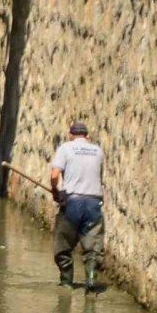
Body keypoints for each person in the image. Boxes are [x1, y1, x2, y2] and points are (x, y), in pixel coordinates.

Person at [49, 121, 105, 292]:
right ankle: (90, 280)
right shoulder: (98, 151)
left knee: (63, 246)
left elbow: (54, 175)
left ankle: (66, 283)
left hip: (72, 203)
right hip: (93, 204)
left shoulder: (65, 148)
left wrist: (55, 191)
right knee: (92, 247)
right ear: (87, 136)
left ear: (71, 135)